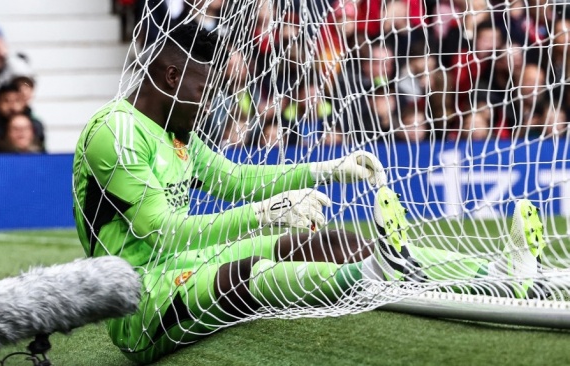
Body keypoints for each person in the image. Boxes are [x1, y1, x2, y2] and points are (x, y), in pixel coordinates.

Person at [72, 22, 548, 365]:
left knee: (332, 240)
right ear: (172, 77)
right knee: (253, 273)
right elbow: (166, 234)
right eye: (205, 87)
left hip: (185, 263)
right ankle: (372, 274)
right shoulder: (115, 133)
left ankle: (493, 272)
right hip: (141, 301)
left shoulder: (173, 128)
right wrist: (267, 212)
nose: (211, 102)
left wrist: (328, 169)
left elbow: (235, 179)